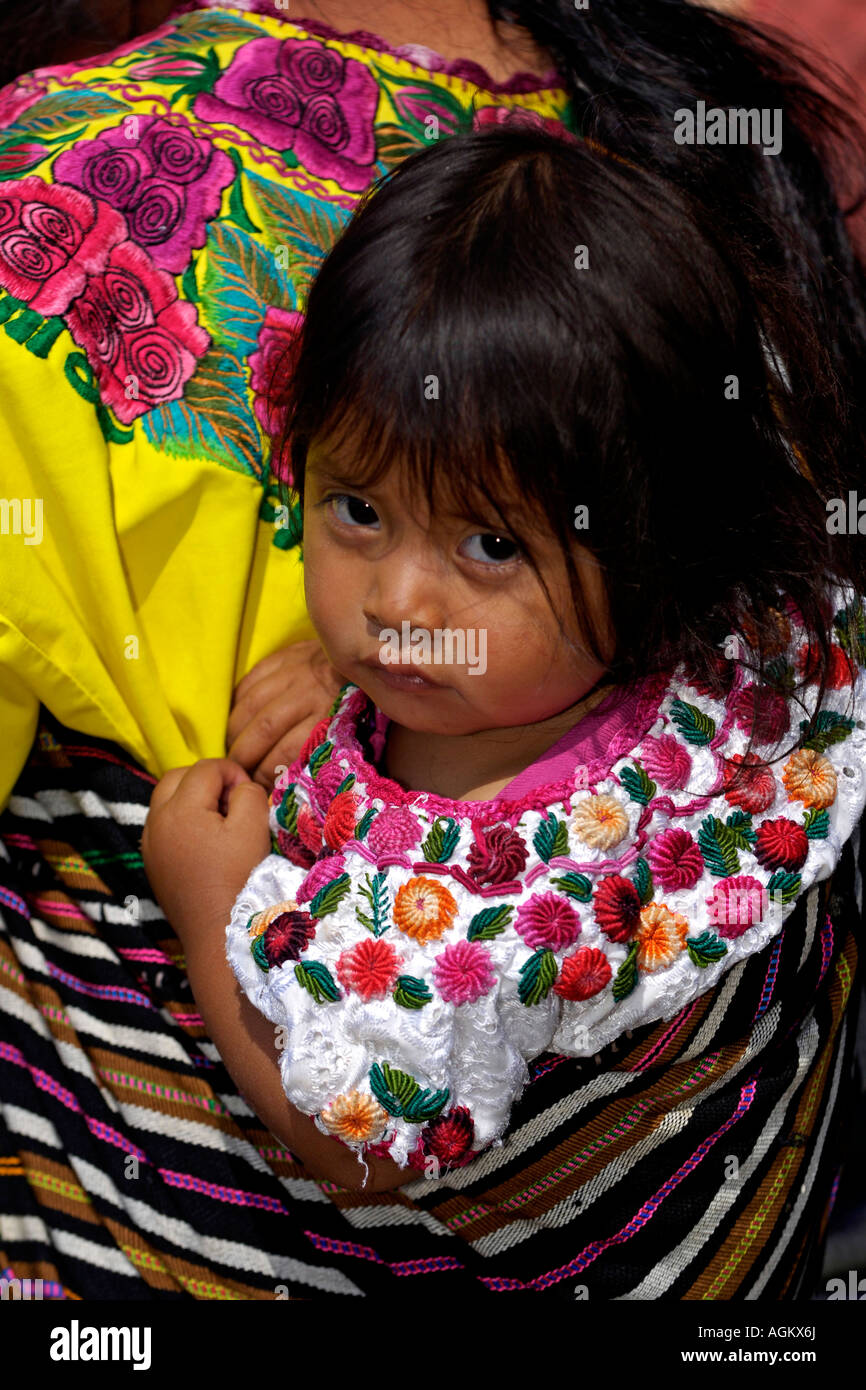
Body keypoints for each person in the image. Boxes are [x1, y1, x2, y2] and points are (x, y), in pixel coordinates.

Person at [2, 0, 865, 1298]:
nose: (397, 597)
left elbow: (363, 1146)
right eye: (351, 513)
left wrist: (218, 905)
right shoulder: (737, 645)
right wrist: (365, 676)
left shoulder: (452, 905)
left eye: (487, 548)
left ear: (654, 543)